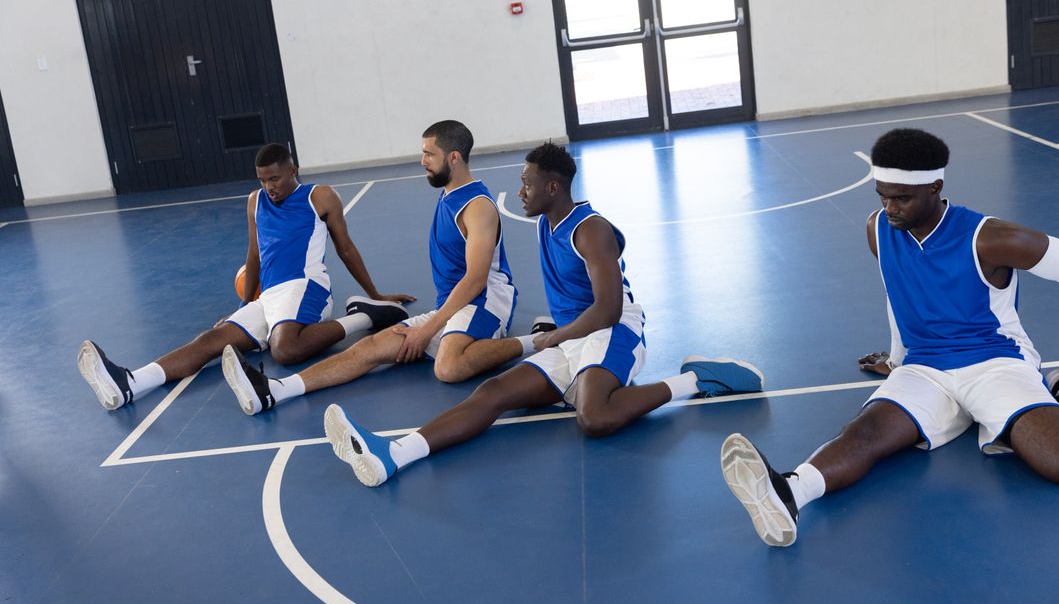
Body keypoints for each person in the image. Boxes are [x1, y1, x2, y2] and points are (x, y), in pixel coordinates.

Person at [320, 142, 764, 487]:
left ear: (553, 188)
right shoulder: (545, 221)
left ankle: (698, 380)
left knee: (594, 418)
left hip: (614, 330)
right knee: (493, 393)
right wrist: (561, 337)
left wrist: (557, 335)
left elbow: (609, 309)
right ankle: (395, 454)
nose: (519, 191)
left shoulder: (591, 230)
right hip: (574, 335)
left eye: (527, 183)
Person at [720, 128, 1059, 547]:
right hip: (924, 367)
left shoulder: (989, 236)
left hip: (994, 363)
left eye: (901, 198)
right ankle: (789, 492)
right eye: (882, 196)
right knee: (864, 434)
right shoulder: (879, 228)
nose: (889, 207)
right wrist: (897, 358)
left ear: (935, 186)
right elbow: (898, 289)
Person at [220, 120, 533, 415]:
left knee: (448, 368)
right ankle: (276, 390)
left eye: (428, 154)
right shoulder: (448, 194)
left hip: (486, 303)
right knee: (369, 347)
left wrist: (427, 329)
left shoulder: (477, 206)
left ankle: (541, 339)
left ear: (453, 157)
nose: (422, 160)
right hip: (453, 306)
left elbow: (476, 280)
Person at [77, 142, 414, 411]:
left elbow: (346, 249)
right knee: (211, 339)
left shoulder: (319, 196)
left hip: (307, 286)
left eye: (276, 178)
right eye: (263, 180)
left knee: (284, 350)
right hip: (267, 296)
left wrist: (377, 293)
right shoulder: (254, 202)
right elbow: (254, 256)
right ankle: (130, 383)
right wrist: (241, 305)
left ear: (292, 170)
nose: (269, 186)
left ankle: (365, 315)